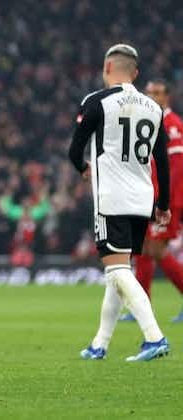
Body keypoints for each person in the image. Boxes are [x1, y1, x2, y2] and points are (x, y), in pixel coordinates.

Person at [69, 44, 171, 361]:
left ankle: (154, 337)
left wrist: (83, 168)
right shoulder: (154, 108)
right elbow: (162, 160)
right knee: (119, 271)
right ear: (136, 73)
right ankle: (100, 344)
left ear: (107, 67)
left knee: (116, 272)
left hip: (111, 197)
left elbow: (75, 148)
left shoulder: (97, 102)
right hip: (142, 200)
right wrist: (163, 204)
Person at [120, 79, 183, 322]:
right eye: (149, 93)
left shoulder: (173, 125)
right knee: (143, 249)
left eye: (158, 92)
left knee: (156, 249)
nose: (153, 96)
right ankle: (141, 308)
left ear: (167, 97)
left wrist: (164, 203)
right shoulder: (149, 123)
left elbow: (176, 170)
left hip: (166, 201)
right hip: (147, 198)